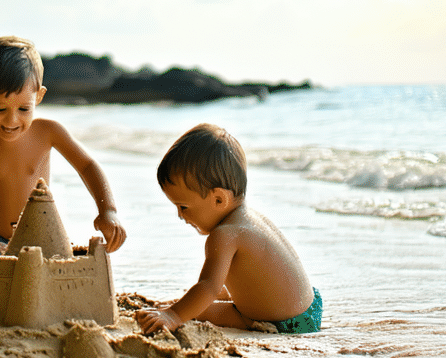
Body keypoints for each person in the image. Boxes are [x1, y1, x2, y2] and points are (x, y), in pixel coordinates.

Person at [0, 36, 127, 277]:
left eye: (24, 109)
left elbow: (87, 166)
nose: (12, 120)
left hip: (42, 233)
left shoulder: (49, 132)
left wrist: (108, 210)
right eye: (0, 109)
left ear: (39, 96)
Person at [135, 123, 322, 335]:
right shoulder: (250, 219)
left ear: (218, 198)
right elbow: (256, 277)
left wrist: (173, 315)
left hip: (285, 324)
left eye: (183, 206)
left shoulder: (223, 235)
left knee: (201, 312)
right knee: (200, 304)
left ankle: (172, 311)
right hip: (310, 310)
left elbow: (208, 286)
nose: (180, 215)